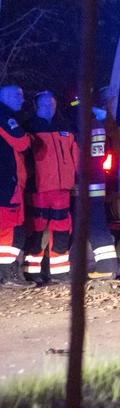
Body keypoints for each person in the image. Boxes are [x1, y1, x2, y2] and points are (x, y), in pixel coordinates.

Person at [23, 91, 78, 284]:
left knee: (62, 231)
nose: (49, 108)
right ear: (36, 106)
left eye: (52, 105)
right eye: (45, 105)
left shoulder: (66, 128)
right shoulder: (28, 127)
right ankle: (31, 271)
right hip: (38, 189)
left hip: (62, 190)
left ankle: (59, 272)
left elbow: (76, 155)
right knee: (35, 231)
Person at [82, 87, 119, 279]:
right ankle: (107, 266)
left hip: (88, 182)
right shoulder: (99, 122)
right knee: (96, 223)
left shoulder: (88, 123)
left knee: (95, 225)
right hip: (97, 181)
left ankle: (106, 268)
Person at [0, 85, 33, 287]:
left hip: (6, 181)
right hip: (6, 183)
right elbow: (22, 143)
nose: (22, 100)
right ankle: (9, 275)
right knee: (12, 230)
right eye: (18, 96)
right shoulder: (5, 115)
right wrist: (30, 138)